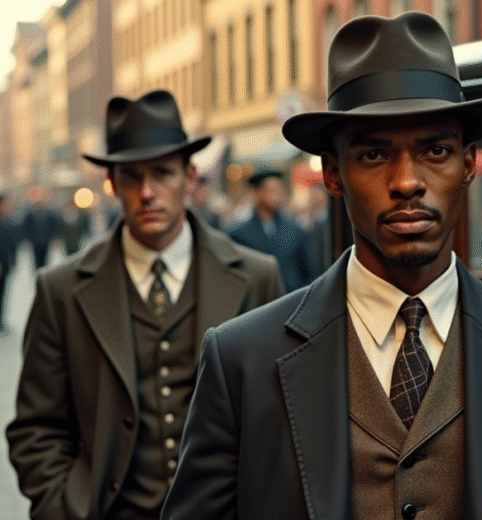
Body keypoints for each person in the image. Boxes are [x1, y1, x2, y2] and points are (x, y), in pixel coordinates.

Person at [161, 12, 482, 520]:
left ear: (468, 164)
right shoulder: (242, 360)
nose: (407, 181)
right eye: (373, 155)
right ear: (332, 173)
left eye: (435, 149)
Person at [6, 89, 285, 520]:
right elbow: (36, 427)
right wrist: (63, 508)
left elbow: (280, 417)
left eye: (162, 173)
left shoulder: (255, 276)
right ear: (113, 184)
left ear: (190, 177)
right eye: (132, 177)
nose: (148, 192)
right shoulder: (60, 290)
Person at [229, 168, 316, 290]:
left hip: (293, 299)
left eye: (279, 190)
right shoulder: (239, 234)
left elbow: (309, 271)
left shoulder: (295, 230)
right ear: (256, 193)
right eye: (271, 190)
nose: (277, 195)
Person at [22, 188, 59, 269]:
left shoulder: (50, 214)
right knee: (36, 262)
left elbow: (53, 227)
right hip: (35, 242)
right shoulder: (29, 215)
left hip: (46, 242)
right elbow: (26, 229)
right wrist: (28, 240)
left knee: (46, 262)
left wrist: (53, 239)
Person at [0, 193, 19, 333]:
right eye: (6, 204)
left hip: (6, 263)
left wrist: (14, 262)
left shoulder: (8, 222)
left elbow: (12, 245)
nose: (9, 207)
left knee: (3, 292)